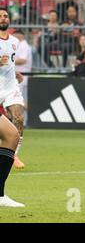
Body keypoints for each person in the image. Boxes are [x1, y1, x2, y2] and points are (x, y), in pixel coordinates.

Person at [0, 9, 26, 172]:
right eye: (0, 17)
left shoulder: (14, 41)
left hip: (10, 87)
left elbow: (9, 62)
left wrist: (15, 72)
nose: (3, 18)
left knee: (18, 117)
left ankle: (13, 154)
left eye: (5, 16)